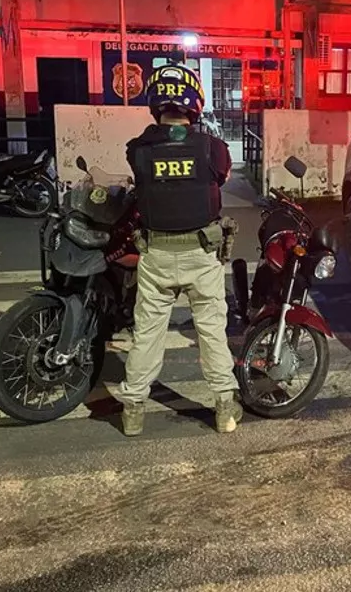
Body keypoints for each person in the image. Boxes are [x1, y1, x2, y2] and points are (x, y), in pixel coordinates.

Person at [114, 63, 241, 437]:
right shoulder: (212, 148)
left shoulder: (138, 149)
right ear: (194, 103)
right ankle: (225, 411)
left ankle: (133, 411)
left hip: (156, 256)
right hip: (201, 255)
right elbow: (221, 177)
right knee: (211, 333)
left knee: (147, 335)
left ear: (156, 103)